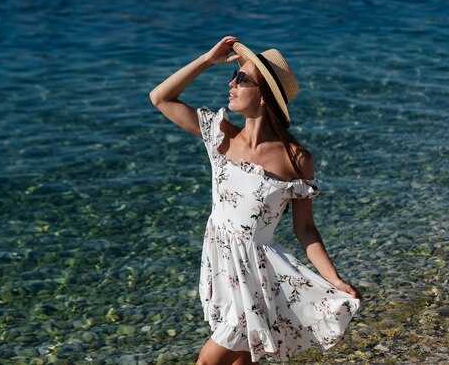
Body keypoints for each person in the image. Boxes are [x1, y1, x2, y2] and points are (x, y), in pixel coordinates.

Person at [149, 36, 362, 364]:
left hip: (258, 275)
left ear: (265, 97)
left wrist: (334, 279)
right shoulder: (220, 134)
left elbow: (305, 229)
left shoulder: (295, 160)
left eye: (243, 79)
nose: (232, 83)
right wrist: (206, 60)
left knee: (208, 361)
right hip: (222, 265)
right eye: (233, 77)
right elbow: (160, 97)